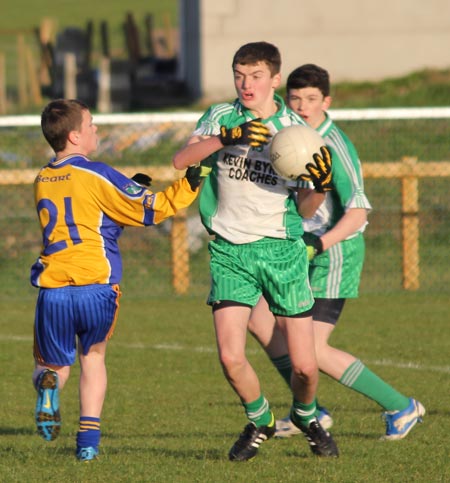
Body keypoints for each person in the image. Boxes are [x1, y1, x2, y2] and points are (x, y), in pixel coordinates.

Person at [173, 42, 339, 460]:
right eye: (240, 75)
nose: (246, 84)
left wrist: (318, 187)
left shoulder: (297, 130)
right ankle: (261, 419)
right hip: (230, 250)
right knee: (231, 358)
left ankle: (305, 415)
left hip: (281, 252)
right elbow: (181, 159)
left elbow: (305, 209)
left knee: (304, 366)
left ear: (275, 79)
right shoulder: (221, 116)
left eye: (256, 76)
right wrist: (226, 138)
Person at [248, 63, 425, 440]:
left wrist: (319, 243)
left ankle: (400, 406)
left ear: (326, 101)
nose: (303, 106)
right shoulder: (287, 136)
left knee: (311, 348)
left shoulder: (333, 145)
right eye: (295, 99)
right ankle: (312, 411)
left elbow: (358, 211)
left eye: (312, 99)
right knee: (258, 317)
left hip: (334, 251)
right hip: (299, 250)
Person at [31, 98, 205, 461]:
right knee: (93, 359)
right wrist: (189, 184)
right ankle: (88, 446)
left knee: (52, 366)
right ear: (76, 136)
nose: (97, 129)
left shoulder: (42, 179)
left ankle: (48, 388)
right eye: (92, 124)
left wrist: (120, 198)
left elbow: (91, 219)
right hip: (96, 284)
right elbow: (151, 210)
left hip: (54, 289)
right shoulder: (97, 172)